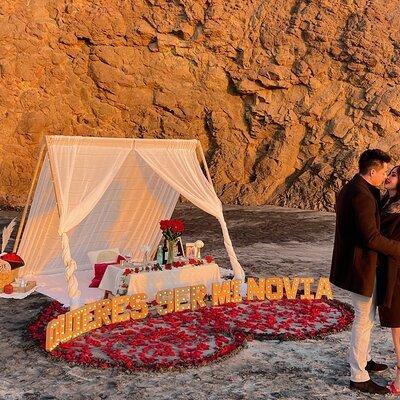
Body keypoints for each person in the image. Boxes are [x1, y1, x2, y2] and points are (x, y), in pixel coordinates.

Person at [330, 149, 400, 395]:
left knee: (365, 320)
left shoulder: (359, 188)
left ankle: (365, 358)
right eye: (383, 172)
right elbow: (371, 237)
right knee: (363, 321)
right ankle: (359, 375)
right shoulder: (361, 195)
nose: (384, 177)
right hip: (360, 268)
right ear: (373, 172)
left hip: (359, 266)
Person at [377, 165, 400, 395]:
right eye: (389, 173)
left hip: (397, 270)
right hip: (387, 268)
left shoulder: (398, 208)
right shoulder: (385, 203)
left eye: (394, 175)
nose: (388, 177)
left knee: (397, 322)